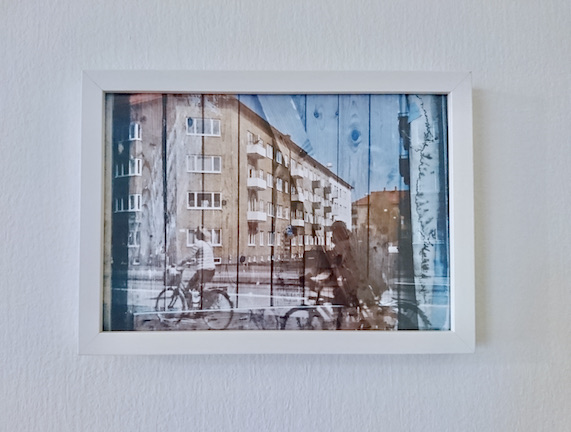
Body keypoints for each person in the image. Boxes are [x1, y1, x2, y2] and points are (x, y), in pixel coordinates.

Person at [179, 227, 216, 304]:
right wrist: (193, 261)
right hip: (211, 270)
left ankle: (194, 305)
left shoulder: (199, 243)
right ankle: (198, 303)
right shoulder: (209, 244)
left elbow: (189, 255)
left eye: (196, 234)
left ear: (199, 235)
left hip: (203, 270)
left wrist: (181, 263)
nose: (195, 236)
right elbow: (204, 257)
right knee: (197, 288)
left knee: (190, 285)